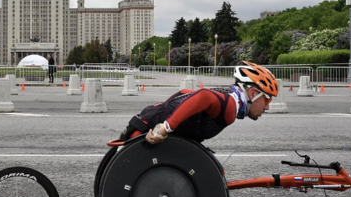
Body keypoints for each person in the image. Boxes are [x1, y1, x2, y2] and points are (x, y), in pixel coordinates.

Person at [119, 61, 279, 145]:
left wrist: (165, 109)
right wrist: (166, 127)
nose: (267, 107)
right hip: (150, 122)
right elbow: (203, 96)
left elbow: (185, 93)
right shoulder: (230, 106)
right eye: (267, 99)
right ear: (252, 93)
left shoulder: (229, 97)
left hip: (154, 114)